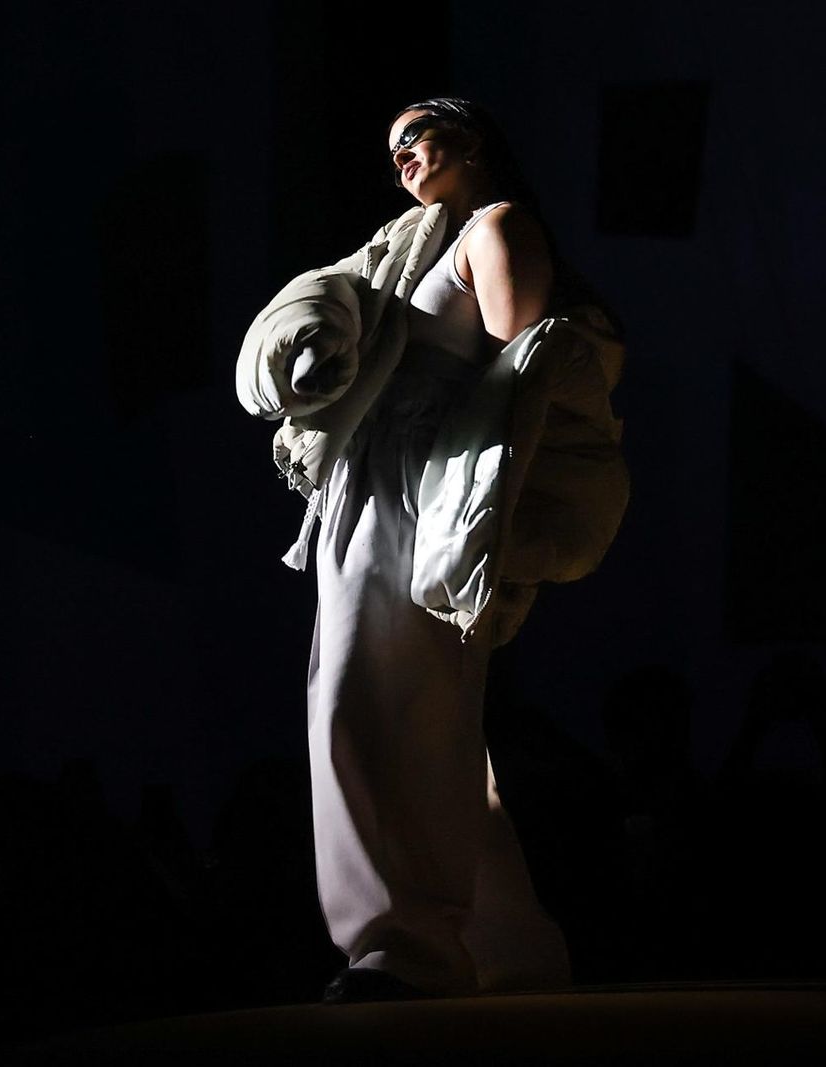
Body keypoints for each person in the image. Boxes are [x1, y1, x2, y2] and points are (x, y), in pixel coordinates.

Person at [236, 97, 628, 1003]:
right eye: (392, 150)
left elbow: (520, 376)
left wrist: (477, 519)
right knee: (410, 711)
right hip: (371, 487)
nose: (403, 157)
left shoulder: (497, 228)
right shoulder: (414, 250)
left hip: (419, 490)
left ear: (473, 138)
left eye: (416, 135)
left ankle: (406, 943)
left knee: (380, 702)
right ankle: (503, 942)